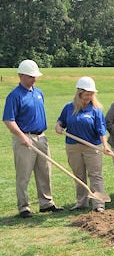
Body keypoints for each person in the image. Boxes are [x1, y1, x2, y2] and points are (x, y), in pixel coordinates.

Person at [3, 60, 63, 218]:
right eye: (30, 76)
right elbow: (9, 120)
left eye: (35, 76)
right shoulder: (14, 96)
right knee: (24, 174)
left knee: (45, 171)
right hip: (24, 138)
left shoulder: (38, 93)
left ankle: (46, 203)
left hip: (41, 137)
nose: (34, 79)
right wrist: (22, 136)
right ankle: (24, 207)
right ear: (21, 75)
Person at [55, 77, 111, 213]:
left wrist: (105, 145)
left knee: (95, 175)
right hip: (73, 147)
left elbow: (101, 129)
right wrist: (58, 126)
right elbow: (61, 121)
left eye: (91, 94)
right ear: (79, 93)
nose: (89, 97)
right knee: (78, 176)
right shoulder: (69, 108)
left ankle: (98, 204)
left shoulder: (96, 110)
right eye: (86, 94)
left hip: (92, 147)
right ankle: (81, 202)